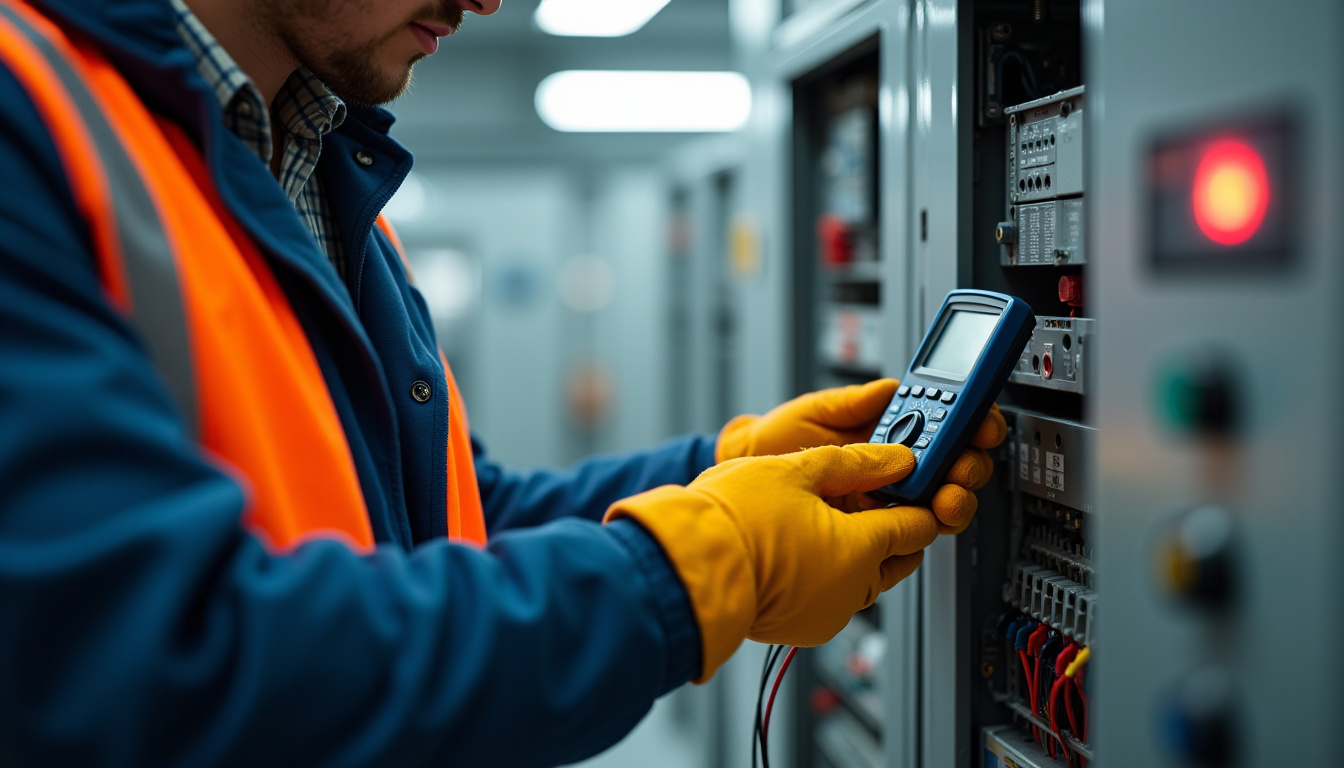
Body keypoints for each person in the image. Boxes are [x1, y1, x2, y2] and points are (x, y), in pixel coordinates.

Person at [0, 0, 1007, 765]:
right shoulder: (29, 117)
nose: (488, 0)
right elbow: (149, 662)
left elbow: (457, 522)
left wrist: (727, 471)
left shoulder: (324, 184)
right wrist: (708, 563)